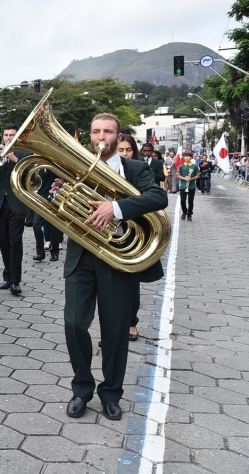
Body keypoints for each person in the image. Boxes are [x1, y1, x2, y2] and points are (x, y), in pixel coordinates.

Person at [61, 113, 167, 422]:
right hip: (81, 256)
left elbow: (158, 196)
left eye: (108, 131)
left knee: (116, 331)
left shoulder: (135, 168)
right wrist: (58, 194)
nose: (101, 137)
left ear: (118, 137)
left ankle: (111, 394)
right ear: (90, 136)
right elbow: (62, 205)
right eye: (96, 131)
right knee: (75, 324)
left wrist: (115, 207)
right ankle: (81, 388)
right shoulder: (76, 165)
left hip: (119, 259)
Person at [0, 124, 30, 295]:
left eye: (11, 135)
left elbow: (30, 175)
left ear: (17, 136)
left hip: (16, 204)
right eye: (6, 135)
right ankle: (7, 275)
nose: (7, 138)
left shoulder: (24, 154)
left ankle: (15, 280)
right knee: (3, 241)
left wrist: (15, 160)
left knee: (15, 241)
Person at [116, 134, 144, 342]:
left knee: (131, 282)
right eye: (120, 150)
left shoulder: (138, 169)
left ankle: (131, 323)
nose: (124, 154)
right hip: (109, 232)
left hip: (134, 231)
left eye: (128, 150)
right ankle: (112, 328)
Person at [177, 150, 200, 221]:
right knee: (182, 201)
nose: (186, 158)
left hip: (191, 186)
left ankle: (189, 214)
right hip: (183, 186)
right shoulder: (181, 166)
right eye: (185, 156)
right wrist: (184, 178)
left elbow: (198, 175)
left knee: (190, 201)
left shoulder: (194, 166)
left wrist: (191, 178)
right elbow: (178, 175)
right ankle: (184, 212)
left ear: (191, 158)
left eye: (188, 156)